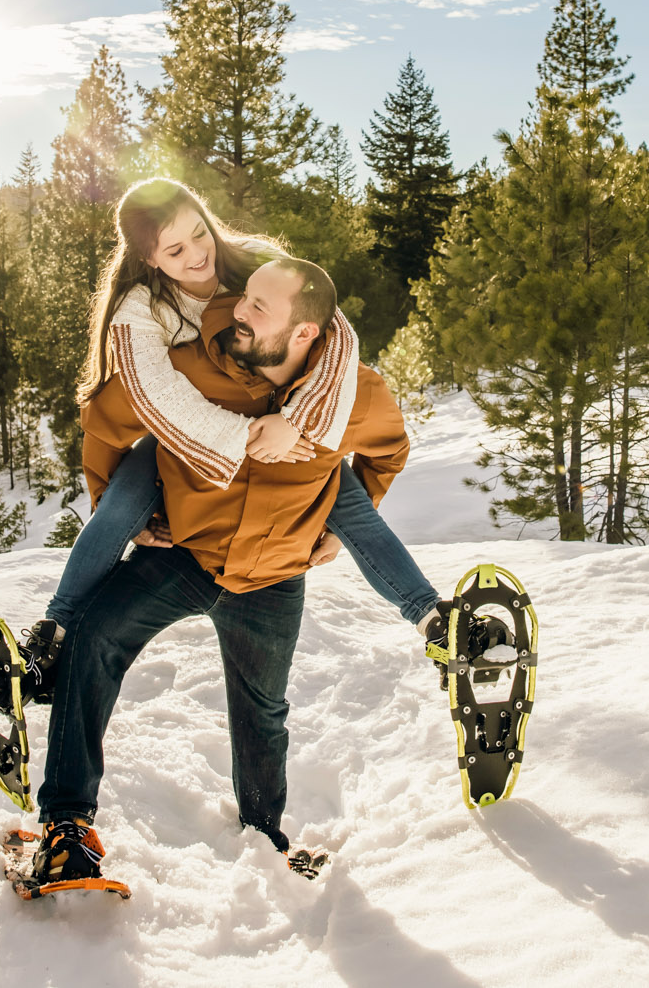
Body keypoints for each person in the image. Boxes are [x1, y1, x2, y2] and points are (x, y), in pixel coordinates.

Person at [24, 256, 411, 889]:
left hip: (273, 576)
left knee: (262, 713)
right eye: (244, 298)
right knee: (92, 641)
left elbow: (389, 450)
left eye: (261, 308)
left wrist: (335, 527)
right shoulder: (190, 369)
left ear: (306, 332)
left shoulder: (357, 395)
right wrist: (113, 506)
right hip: (182, 556)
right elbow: (106, 419)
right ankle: (65, 825)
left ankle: (265, 838)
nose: (239, 312)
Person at [11, 178, 441, 701]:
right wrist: (241, 441)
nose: (197, 255)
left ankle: (434, 620)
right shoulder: (139, 312)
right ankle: (52, 637)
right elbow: (154, 401)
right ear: (149, 258)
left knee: (338, 485)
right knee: (124, 495)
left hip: (284, 426)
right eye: (175, 249)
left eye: (199, 233)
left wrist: (298, 421)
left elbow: (334, 334)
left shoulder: (255, 261)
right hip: (184, 438)